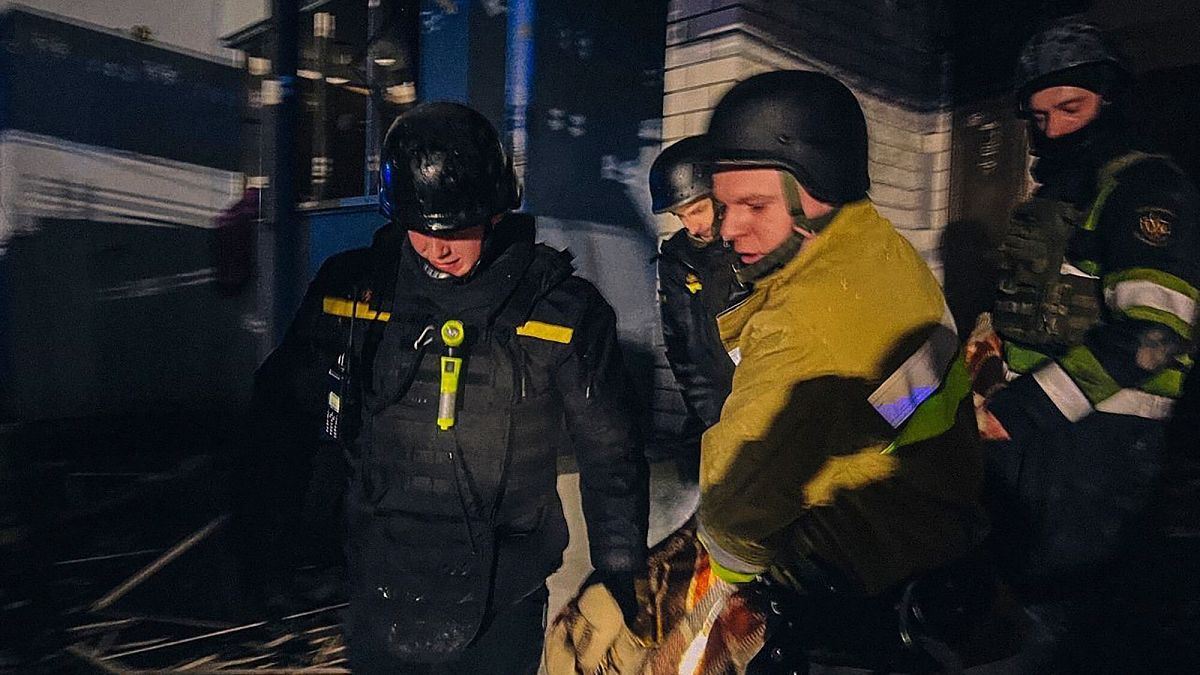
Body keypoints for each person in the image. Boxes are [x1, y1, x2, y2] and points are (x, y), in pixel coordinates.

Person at [240, 102, 649, 674]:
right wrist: (264, 542)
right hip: (379, 580)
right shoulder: (352, 292)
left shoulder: (563, 313)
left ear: (496, 211)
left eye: (457, 229)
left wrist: (618, 574)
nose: (438, 248)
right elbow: (283, 417)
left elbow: (613, 455)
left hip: (502, 595)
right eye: (420, 227)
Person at [695, 70, 1012, 672]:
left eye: (754, 205)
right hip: (930, 558)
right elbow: (887, 410)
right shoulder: (880, 253)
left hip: (849, 602)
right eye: (723, 204)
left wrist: (740, 582)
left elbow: (737, 507)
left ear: (822, 186)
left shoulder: (807, 325)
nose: (729, 227)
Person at [970, 16, 1200, 672]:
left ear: (1111, 99)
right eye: (1039, 116)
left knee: (1065, 632)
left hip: (1095, 462)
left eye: (1070, 107)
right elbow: (1026, 316)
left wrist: (1017, 409)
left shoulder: (1146, 190)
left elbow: (1154, 337)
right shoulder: (1057, 200)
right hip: (1031, 453)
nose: (1055, 129)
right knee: (1016, 613)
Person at [651, 135, 747, 440]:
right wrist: (708, 419)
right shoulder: (679, 259)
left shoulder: (754, 248)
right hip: (715, 417)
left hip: (767, 408)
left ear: (720, 198)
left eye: (696, 210)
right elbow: (682, 349)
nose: (691, 226)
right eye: (681, 216)